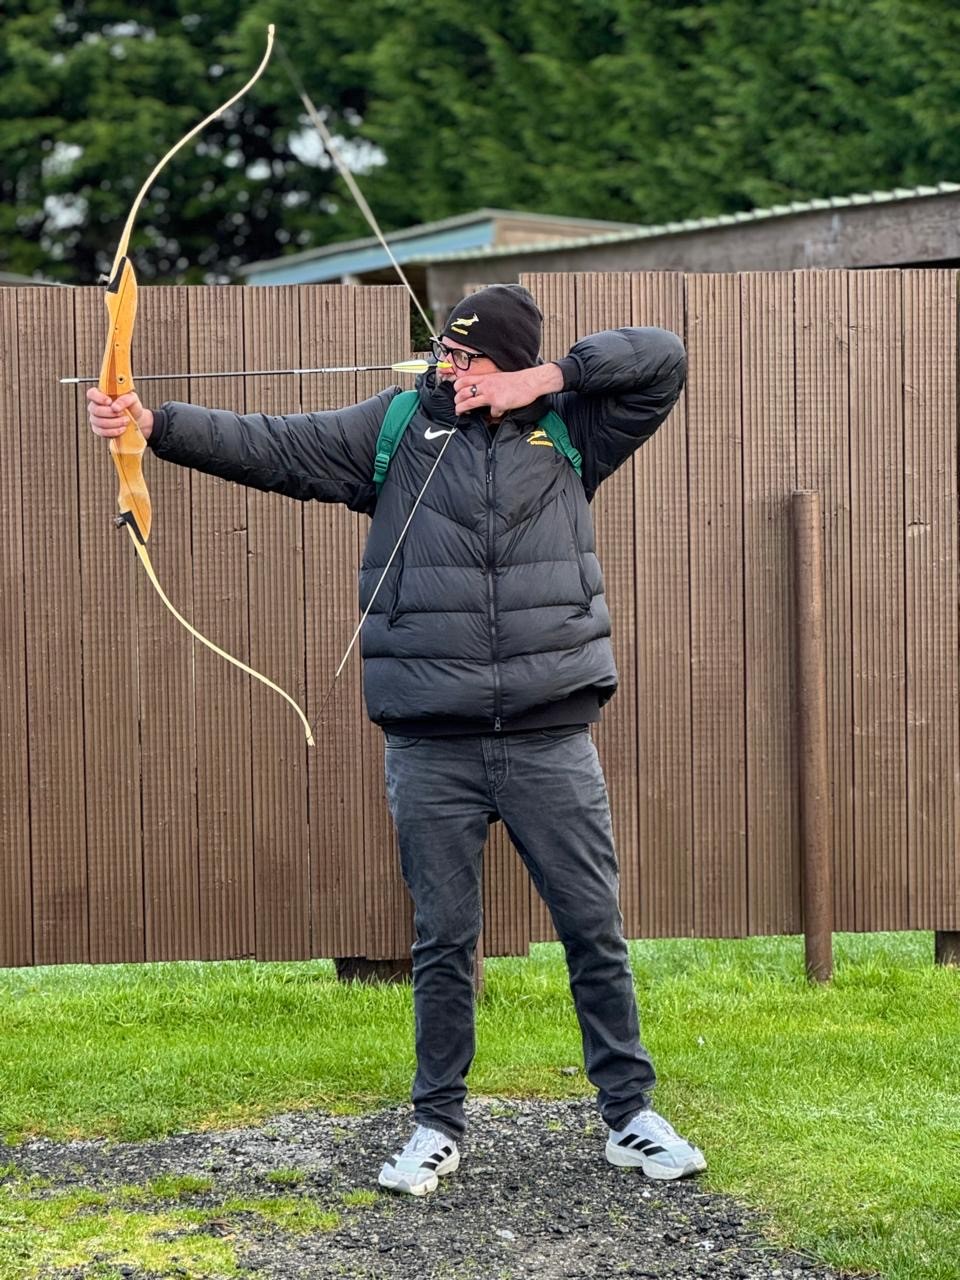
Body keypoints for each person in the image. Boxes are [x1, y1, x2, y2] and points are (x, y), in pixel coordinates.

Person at [88, 283, 705, 1196]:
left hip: (549, 731)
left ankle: (629, 1117)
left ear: (512, 362)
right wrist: (154, 423)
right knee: (444, 938)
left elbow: (663, 357)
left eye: (468, 359)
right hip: (431, 740)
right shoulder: (393, 432)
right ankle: (436, 1125)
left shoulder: (576, 430)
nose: (447, 370)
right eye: (443, 354)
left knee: (593, 929)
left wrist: (548, 379)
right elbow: (274, 446)